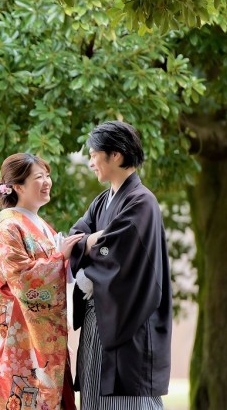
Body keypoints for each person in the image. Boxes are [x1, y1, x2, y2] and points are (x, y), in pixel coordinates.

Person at [68, 121, 172, 410]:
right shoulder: (102, 201)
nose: (90, 163)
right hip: (98, 317)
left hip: (130, 321)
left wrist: (93, 247)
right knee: (94, 396)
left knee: (129, 400)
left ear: (115, 155)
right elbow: (74, 238)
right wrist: (93, 241)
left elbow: (118, 254)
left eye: (94, 155)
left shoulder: (142, 202)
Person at [0, 153, 84, 410]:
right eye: (39, 177)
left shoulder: (40, 226)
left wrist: (64, 260)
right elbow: (23, 280)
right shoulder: (9, 228)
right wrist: (60, 258)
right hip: (17, 340)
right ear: (18, 186)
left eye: (47, 176)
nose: (47, 182)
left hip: (41, 335)